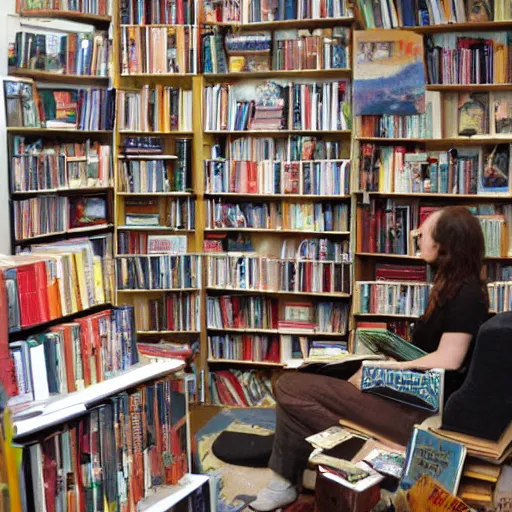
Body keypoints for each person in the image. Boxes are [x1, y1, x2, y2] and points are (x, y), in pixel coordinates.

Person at [250, 206, 489, 511]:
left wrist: (384, 370)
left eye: (424, 232)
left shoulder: (466, 294)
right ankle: (283, 480)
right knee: (299, 387)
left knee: (288, 387)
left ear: (445, 243)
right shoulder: (451, 285)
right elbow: (432, 355)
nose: (417, 236)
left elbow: (449, 360)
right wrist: (389, 356)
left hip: (418, 414)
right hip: (410, 398)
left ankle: (381, 451)